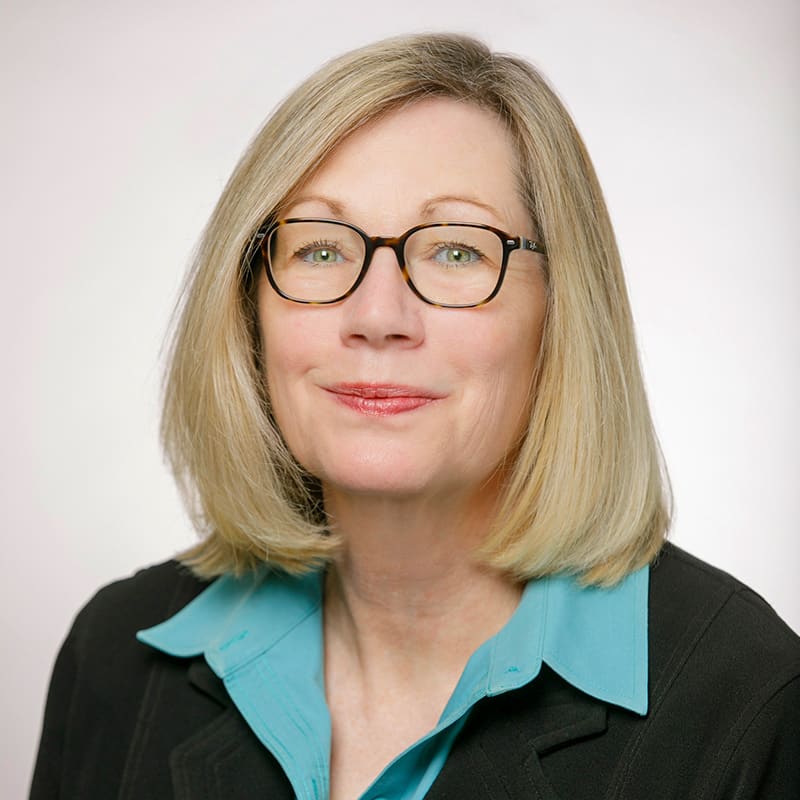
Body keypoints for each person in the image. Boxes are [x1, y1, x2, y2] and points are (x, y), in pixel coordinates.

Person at [30, 33, 799, 800]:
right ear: (249, 307)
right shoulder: (114, 659)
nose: (377, 315)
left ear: (562, 312)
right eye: (322, 249)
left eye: (457, 251)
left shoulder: (746, 703)